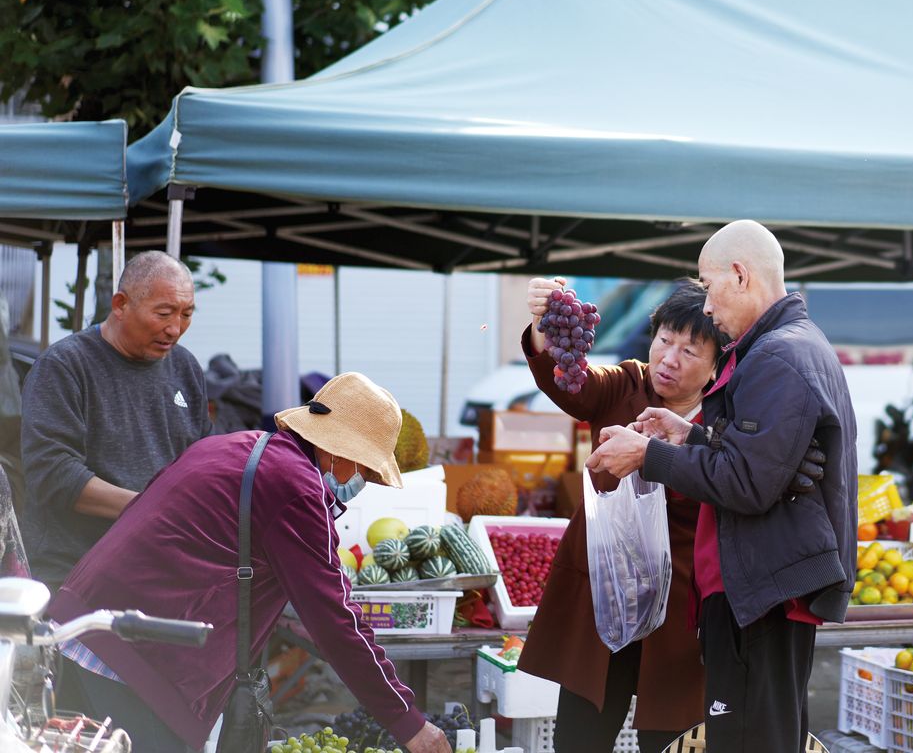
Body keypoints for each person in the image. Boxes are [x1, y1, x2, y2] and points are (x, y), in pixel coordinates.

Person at [47, 372, 451, 753]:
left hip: (84, 627)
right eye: (365, 468)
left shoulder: (235, 447)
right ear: (336, 449)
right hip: (132, 656)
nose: (361, 481)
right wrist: (409, 724)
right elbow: (336, 620)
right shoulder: (295, 488)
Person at [587, 220, 857, 753]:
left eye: (708, 288)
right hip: (768, 585)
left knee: (750, 740)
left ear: (739, 275)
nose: (706, 307)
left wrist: (649, 454)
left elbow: (749, 483)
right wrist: (691, 435)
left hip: (763, 590)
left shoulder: (779, 355)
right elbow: (764, 462)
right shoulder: (793, 346)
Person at [517, 277, 723, 753]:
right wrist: (543, 328)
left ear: (716, 368)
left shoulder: (724, 423)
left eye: (690, 351)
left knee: (671, 740)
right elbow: (574, 384)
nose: (669, 358)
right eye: (664, 340)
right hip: (602, 598)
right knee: (580, 737)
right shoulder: (626, 384)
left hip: (679, 614)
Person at [21, 250, 209, 588]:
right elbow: (52, 473)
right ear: (120, 304)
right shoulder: (65, 366)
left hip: (160, 571)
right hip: (73, 575)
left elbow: (202, 464)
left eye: (186, 314)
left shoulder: (186, 368)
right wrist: (151, 508)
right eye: (164, 313)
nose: (175, 328)